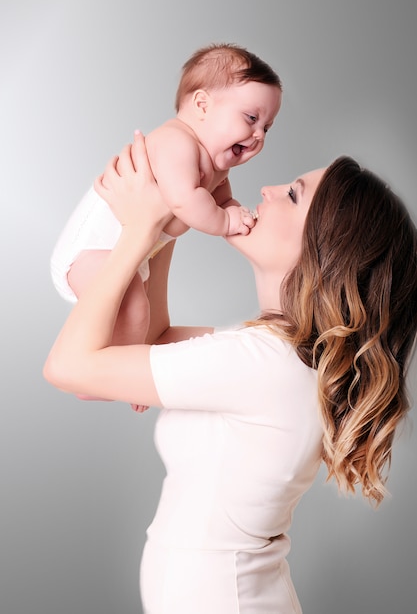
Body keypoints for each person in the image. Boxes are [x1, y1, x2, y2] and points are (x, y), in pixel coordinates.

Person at [43, 132, 417, 613]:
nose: (267, 190)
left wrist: (139, 233)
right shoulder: (269, 354)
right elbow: (151, 342)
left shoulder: (264, 364)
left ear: (325, 251)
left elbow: (69, 366)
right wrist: (167, 222)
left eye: (293, 194)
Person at [50, 43, 282, 357]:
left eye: (267, 127)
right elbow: (185, 201)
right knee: (135, 311)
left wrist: (232, 211)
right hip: (91, 250)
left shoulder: (215, 169)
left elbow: (221, 201)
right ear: (202, 105)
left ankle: (115, 368)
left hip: (131, 255)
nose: (259, 135)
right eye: (251, 118)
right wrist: (226, 221)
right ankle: (116, 369)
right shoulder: (177, 142)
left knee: (139, 316)